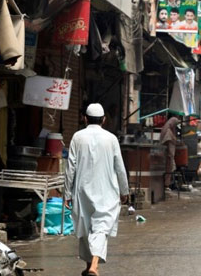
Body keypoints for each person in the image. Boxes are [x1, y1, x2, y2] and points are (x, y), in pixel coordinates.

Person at [64, 103, 129, 276]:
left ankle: (91, 265)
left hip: (82, 190)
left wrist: (67, 193)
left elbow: (70, 167)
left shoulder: (77, 137)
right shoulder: (111, 138)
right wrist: (125, 191)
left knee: (86, 228)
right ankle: (92, 266)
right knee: (101, 228)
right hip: (106, 190)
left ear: (85, 119)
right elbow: (120, 167)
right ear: (104, 120)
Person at [161, 117, 180, 190]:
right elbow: (168, 143)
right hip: (168, 156)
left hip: (168, 156)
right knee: (168, 169)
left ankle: (168, 184)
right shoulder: (168, 131)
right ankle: (166, 185)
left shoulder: (169, 129)